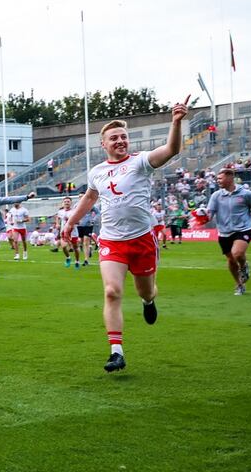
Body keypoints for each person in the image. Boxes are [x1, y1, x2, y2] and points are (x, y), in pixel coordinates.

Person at [63, 96, 189, 372]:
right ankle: (116, 351)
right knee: (111, 291)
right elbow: (89, 198)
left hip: (142, 239)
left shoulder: (140, 162)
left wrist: (176, 122)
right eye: (114, 138)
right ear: (103, 144)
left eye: (123, 136)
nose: (120, 141)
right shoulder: (96, 172)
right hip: (111, 241)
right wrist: (70, 222)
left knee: (145, 289)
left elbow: (171, 149)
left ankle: (148, 300)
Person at [204, 167, 251, 295]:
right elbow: (210, 214)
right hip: (224, 232)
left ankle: (243, 266)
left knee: (237, 254)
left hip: (243, 229)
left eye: (220, 178)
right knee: (231, 260)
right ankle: (239, 284)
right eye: (217, 178)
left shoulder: (246, 194)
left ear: (230, 178)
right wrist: (202, 217)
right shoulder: (216, 196)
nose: (218, 181)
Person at [55, 197, 81, 269]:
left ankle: (77, 261)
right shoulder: (60, 212)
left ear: (71, 203)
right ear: (63, 203)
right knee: (63, 246)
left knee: (75, 248)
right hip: (63, 232)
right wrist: (57, 224)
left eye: (68, 201)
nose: (66, 203)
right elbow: (57, 217)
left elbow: (79, 222)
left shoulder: (74, 211)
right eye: (65, 201)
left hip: (73, 232)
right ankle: (68, 257)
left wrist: (71, 221)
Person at [76, 197, 100, 266]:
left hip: (88, 225)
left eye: (83, 196)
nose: (81, 197)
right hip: (79, 226)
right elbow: (73, 214)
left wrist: (93, 220)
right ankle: (90, 249)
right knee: (80, 241)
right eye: (80, 196)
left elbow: (98, 212)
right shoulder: (76, 205)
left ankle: (86, 260)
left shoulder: (90, 205)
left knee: (86, 241)